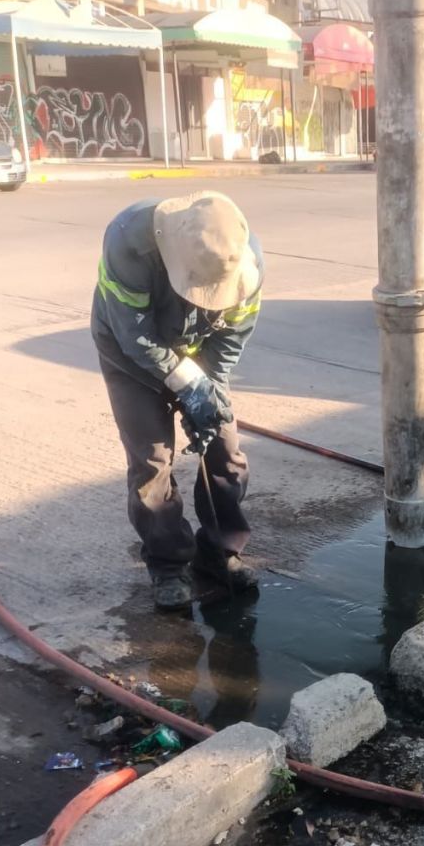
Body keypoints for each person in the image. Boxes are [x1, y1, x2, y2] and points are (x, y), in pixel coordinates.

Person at [91, 190, 264, 610]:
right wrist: (187, 384)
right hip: (130, 358)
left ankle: (219, 551)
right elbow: (136, 337)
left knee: (225, 451)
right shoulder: (127, 242)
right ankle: (168, 564)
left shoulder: (243, 258)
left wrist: (209, 390)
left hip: (198, 352)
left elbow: (229, 339)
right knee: (152, 462)